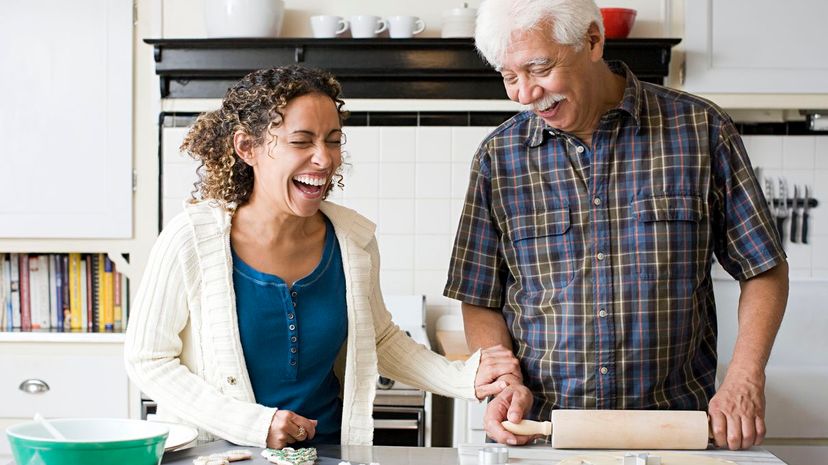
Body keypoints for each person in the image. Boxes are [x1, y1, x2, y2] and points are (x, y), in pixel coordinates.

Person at [443, 0, 788, 451]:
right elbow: (480, 294)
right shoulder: (499, 157)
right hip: (545, 433)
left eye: (539, 68)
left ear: (591, 40)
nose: (525, 94)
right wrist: (504, 378)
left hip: (676, 432)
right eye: (510, 77)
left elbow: (762, 268)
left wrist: (744, 378)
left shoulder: (701, 130)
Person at [125, 65, 521, 448]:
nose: (325, 159)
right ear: (248, 147)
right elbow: (149, 359)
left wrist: (464, 379)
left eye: (333, 140)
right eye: (302, 141)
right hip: (224, 455)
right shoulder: (191, 239)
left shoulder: (353, 240)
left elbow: (378, 339)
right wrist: (253, 425)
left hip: (328, 452)